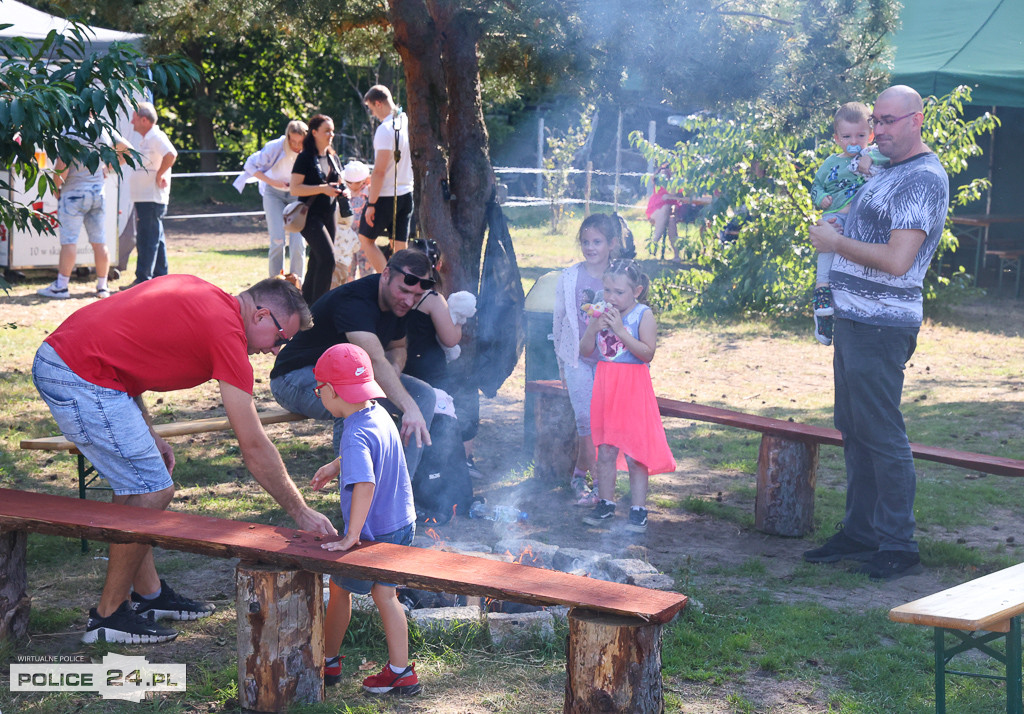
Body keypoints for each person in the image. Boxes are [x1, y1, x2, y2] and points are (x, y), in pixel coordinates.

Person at [31, 275, 337, 644]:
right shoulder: (226, 333)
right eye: (280, 338)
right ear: (260, 315)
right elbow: (253, 445)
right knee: (151, 486)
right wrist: (301, 512)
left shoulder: (208, 295)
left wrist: (148, 431)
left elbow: (126, 355)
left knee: (139, 481)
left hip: (84, 367)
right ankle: (108, 617)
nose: (277, 350)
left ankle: (149, 595)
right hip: (76, 373)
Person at [804, 85, 949, 580]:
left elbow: (896, 260)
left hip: (880, 325)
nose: (878, 131)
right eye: (876, 121)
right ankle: (861, 531)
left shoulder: (924, 179)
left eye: (888, 122)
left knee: (882, 433)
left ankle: (898, 543)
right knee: (855, 429)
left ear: (917, 120)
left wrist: (835, 242)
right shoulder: (890, 169)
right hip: (853, 320)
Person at [310, 343, 421, 696]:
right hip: (402, 521)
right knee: (386, 595)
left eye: (318, 389)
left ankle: (327, 661)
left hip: (375, 533)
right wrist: (335, 465)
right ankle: (400, 671)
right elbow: (370, 455)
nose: (319, 395)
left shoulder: (352, 432)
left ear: (330, 391)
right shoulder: (377, 413)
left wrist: (350, 536)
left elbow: (365, 482)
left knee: (339, 588)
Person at [269, 249, 436, 476]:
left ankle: (401, 487)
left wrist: (394, 372)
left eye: (417, 296)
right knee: (351, 400)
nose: (409, 301)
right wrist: (409, 407)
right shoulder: (355, 301)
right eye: (404, 291)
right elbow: (376, 361)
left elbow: (397, 348)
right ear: (385, 275)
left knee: (424, 395)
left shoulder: (400, 302)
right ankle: (355, 498)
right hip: (292, 378)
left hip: (346, 377)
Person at [579, 259, 676, 532]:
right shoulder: (600, 314)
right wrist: (592, 329)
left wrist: (620, 331)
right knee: (606, 449)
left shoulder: (642, 315)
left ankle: (638, 509)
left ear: (636, 291)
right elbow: (585, 350)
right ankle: (606, 504)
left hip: (633, 387)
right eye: (607, 290)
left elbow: (647, 354)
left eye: (619, 292)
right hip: (606, 385)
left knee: (635, 452)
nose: (611, 297)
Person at [552, 214, 621, 506]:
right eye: (586, 242)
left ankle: (580, 475)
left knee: (604, 425)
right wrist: (562, 364)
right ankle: (594, 485)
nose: (590, 247)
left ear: (612, 244)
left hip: (610, 363)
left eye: (597, 241)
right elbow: (560, 322)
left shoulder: (620, 277)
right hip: (577, 360)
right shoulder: (569, 277)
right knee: (585, 423)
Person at [809, 102, 889, 346]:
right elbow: (816, 187)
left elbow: (889, 155)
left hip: (861, 220)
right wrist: (822, 198)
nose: (854, 140)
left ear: (871, 135)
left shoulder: (875, 153)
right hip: (835, 215)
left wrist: (868, 156)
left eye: (861, 135)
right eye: (847, 136)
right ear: (836, 138)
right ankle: (822, 301)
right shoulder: (830, 164)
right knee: (826, 248)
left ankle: (854, 303)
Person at [37, 122, 132, 300]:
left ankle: (62, 286)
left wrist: (56, 187)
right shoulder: (103, 128)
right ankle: (103, 286)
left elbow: (62, 162)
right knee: (99, 242)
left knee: (69, 242)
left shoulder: (70, 129)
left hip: (73, 192)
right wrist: (108, 167)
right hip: (97, 192)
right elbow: (128, 150)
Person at [233, 120, 309, 281]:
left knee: (298, 243)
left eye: (299, 142)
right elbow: (250, 166)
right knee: (277, 240)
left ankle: (297, 283)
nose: (296, 145)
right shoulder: (275, 146)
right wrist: (274, 182)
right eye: (292, 141)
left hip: (297, 195)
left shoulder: (310, 150)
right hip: (274, 194)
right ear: (287, 137)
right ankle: (275, 284)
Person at [290, 114, 350, 305]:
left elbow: (339, 181)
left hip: (329, 213)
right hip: (309, 215)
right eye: (327, 131)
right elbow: (295, 188)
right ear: (314, 132)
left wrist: (344, 190)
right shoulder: (305, 157)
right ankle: (320, 308)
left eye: (332, 131)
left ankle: (306, 308)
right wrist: (322, 189)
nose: (331, 134)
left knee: (317, 261)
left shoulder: (332, 156)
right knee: (328, 259)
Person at [359, 85, 413, 273]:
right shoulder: (406, 120)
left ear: (378, 103)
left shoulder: (385, 130)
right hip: (407, 193)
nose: (373, 114)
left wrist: (371, 204)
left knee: (365, 239)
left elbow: (379, 172)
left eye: (372, 109)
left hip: (387, 195)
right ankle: (404, 281)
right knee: (400, 245)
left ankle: (387, 278)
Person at [123, 102, 177, 289]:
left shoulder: (156, 136)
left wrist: (160, 174)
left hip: (152, 197)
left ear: (144, 120)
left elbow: (171, 154)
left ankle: (143, 279)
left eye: (134, 118)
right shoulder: (147, 138)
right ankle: (161, 276)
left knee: (147, 237)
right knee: (155, 236)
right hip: (145, 197)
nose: (132, 122)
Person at [341, 160, 375, 280]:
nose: (351, 185)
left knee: (366, 269)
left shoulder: (368, 191)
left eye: (354, 182)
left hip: (364, 236)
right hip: (347, 238)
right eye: (348, 182)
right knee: (347, 270)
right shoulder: (344, 191)